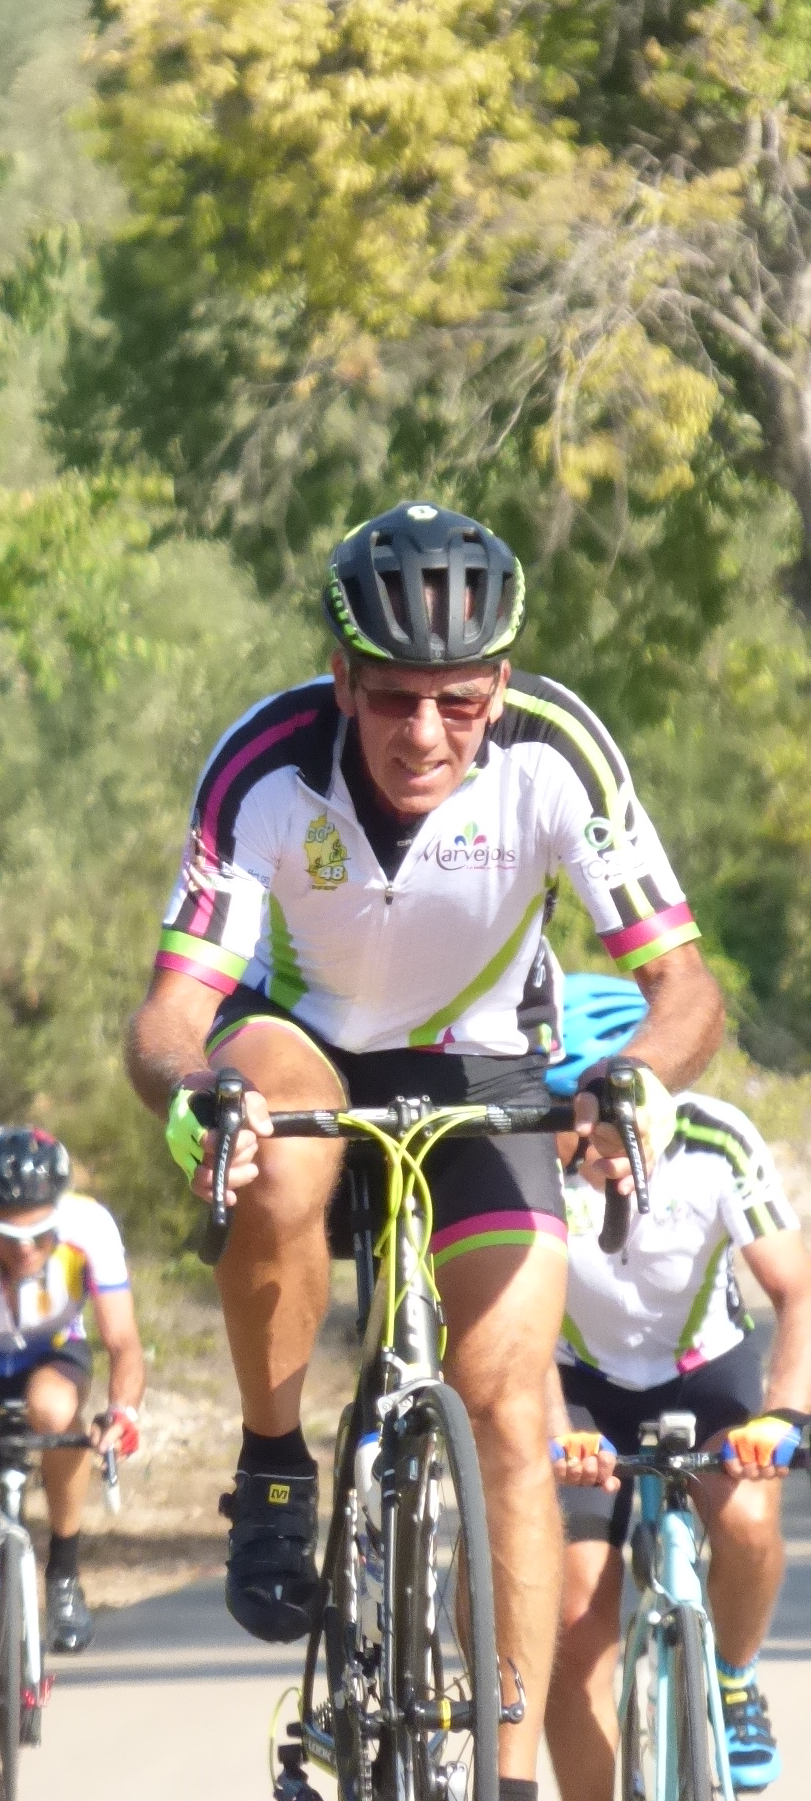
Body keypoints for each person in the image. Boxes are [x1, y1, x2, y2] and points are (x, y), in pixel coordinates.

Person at [126, 501, 724, 1800]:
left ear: (500, 684)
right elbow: (173, 1009)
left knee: (508, 1405)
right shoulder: (267, 766)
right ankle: (274, 1465)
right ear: (341, 678)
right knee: (276, 1136)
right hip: (302, 1043)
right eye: (394, 699)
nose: (426, 733)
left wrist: (635, 1078)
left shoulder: (557, 755)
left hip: (480, 1066)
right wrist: (193, 1095)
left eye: (461, 701)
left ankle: (504, 1773)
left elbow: (685, 989)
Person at [546, 973, 811, 1799]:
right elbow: (508, 1328)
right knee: (574, 1616)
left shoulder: (716, 1139)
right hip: (579, 1385)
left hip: (702, 1373)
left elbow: (797, 1290)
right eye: (568, 1116)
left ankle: (732, 1678)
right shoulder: (532, 1157)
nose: (587, 1142)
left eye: (606, 1117)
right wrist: (556, 1432)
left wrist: (784, 1416)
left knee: (746, 1515)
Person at [0, 1125, 144, 1801]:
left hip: (53, 1354)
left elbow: (123, 1342)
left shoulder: (89, 1228)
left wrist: (123, 1412)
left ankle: (64, 1570)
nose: (25, 1250)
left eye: (39, 1233)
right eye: (6, 1235)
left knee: (55, 1413)